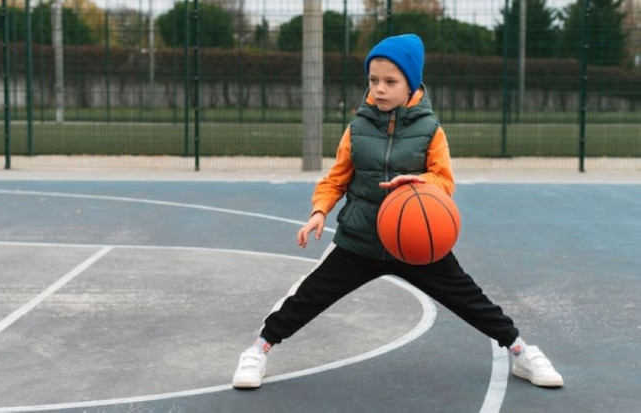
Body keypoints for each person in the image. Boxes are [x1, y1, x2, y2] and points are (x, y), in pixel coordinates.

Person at [231, 34, 563, 390]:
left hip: (416, 242)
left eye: (390, 81)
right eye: (373, 80)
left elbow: (444, 181)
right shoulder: (357, 128)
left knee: (471, 300)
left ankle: (521, 352)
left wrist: (419, 183)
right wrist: (319, 211)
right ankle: (259, 350)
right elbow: (336, 179)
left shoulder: (430, 130)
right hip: (362, 239)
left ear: (411, 84)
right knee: (308, 297)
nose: (379, 89)